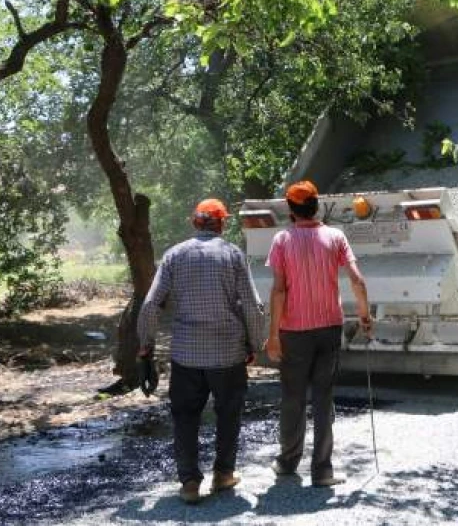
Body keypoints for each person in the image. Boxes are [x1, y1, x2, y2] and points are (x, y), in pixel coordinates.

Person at [137, 198, 267, 504]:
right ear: (221, 224)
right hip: (228, 354)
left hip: (186, 356)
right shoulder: (233, 254)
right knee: (228, 415)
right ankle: (223, 474)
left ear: (195, 223)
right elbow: (252, 305)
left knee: (185, 417)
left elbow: (150, 305)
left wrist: (145, 347)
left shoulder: (174, 255)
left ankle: (189, 484)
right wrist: (254, 342)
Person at [264, 180, 372, 487]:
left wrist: (273, 335)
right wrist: (364, 315)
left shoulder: (282, 240)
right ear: (317, 206)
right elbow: (357, 279)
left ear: (291, 209)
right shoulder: (336, 236)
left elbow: (279, 290)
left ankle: (287, 462)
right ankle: (322, 471)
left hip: (294, 332)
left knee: (293, 398)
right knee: (324, 398)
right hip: (328, 328)